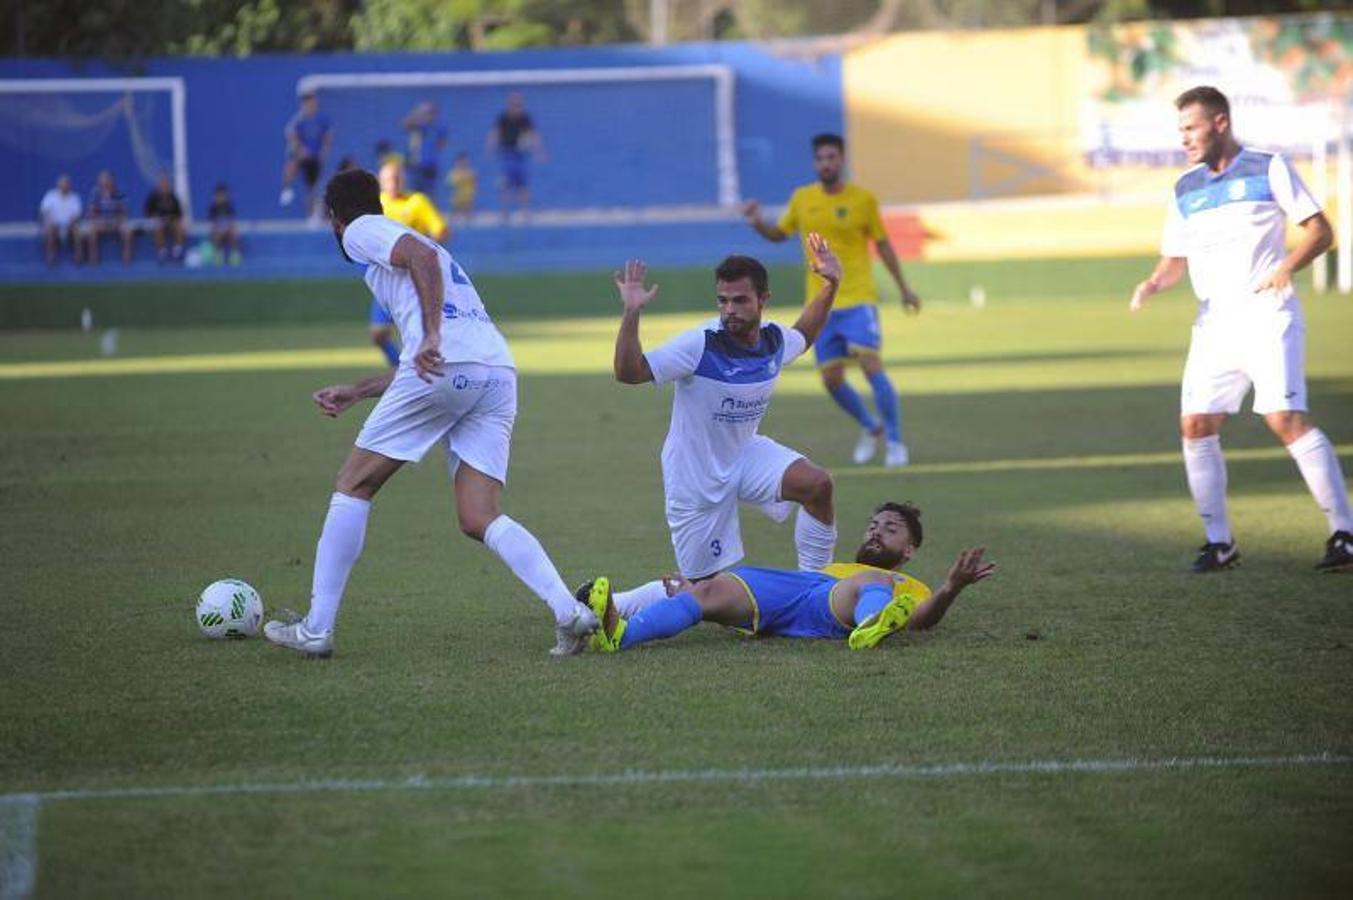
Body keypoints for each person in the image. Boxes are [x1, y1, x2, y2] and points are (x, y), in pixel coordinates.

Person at [262, 168, 597, 659]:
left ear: (335, 218)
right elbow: (429, 360)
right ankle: (569, 612)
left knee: (354, 484)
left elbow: (427, 313)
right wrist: (359, 390)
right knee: (478, 516)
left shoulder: (363, 231)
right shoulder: (418, 246)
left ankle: (317, 628)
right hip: (496, 372)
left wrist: (433, 335)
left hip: (451, 364)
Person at [1129, 86, 1351, 574]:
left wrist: (1287, 266)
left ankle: (1345, 534)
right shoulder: (1185, 187)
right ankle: (1220, 543)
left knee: (1283, 417)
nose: (1185, 139)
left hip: (1268, 314)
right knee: (1195, 424)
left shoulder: (1267, 167)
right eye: (1181, 130)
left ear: (1220, 123)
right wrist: (1152, 283)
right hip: (1213, 325)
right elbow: (1175, 261)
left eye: (1192, 128)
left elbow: (1320, 231)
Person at [606, 238, 842, 617]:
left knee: (817, 485)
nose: (729, 310)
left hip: (745, 454)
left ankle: (815, 590)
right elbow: (628, 373)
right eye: (723, 300)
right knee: (704, 593)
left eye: (740, 300)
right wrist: (632, 313)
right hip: (695, 474)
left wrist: (831, 286)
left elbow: (805, 335)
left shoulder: (774, 341)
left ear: (763, 299)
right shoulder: (700, 344)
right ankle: (606, 606)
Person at [582, 502, 995, 653]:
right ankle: (620, 633)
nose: (876, 531)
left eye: (890, 529)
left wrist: (950, 588)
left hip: (833, 605)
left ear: (908, 551)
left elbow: (921, 620)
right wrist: (692, 589)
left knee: (876, 583)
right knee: (710, 588)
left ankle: (871, 623)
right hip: (798, 591)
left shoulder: (906, 586)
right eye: (873, 525)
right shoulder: (837, 570)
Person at [743, 133, 922, 468]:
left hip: (858, 298)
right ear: (816, 162)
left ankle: (896, 442)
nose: (826, 163)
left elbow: (883, 245)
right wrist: (757, 222)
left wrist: (904, 288)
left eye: (832, 157)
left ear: (842, 160)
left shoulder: (863, 200)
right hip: (821, 303)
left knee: (870, 364)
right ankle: (871, 427)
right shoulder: (802, 198)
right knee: (831, 379)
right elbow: (779, 234)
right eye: (821, 158)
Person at [370, 160, 450, 367]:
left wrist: (425, 250)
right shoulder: (375, 205)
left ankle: (426, 370)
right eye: (388, 179)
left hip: (413, 280)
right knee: (378, 334)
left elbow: (441, 229)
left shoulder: (416, 202)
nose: (393, 183)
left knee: (418, 332)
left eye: (397, 178)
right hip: (387, 279)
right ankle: (400, 369)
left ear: (403, 179)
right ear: (381, 182)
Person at [485, 92, 543, 220]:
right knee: (505, 183)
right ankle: (504, 212)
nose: (516, 107)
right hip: (507, 153)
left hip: (520, 154)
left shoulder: (525, 118)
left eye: (519, 105)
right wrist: (490, 148)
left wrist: (538, 151)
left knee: (523, 184)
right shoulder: (503, 118)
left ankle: (525, 211)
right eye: (514, 104)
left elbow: (533, 134)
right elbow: (495, 133)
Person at [279, 91, 333, 222]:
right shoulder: (299, 120)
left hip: (316, 157)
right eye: (308, 103)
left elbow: (328, 137)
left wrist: (323, 153)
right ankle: (286, 188)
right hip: (302, 155)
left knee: (314, 187)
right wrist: (300, 149)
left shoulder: (322, 119)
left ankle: (314, 213)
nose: (311, 105)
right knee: (291, 163)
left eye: (313, 102)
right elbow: (291, 135)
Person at [83, 170, 132, 265]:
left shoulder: (119, 192)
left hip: (116, 222)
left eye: (107, 179)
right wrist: (99, 221)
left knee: (127, 230)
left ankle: (126, 257)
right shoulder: (95, 192)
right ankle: (94, 258)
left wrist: (118, 221)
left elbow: (125, 211)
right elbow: (91, 212)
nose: (104, 182)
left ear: (112, 180)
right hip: (100, 223)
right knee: (92, 230)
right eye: (102, 179)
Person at [402, 101, 448, 196]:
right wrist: (417, 112)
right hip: (416, 164)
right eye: (427, 112)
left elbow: (442, 143)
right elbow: (406, 124)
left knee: (429, 193)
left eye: (431, 112)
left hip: (431, 165)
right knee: (415, 192)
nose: (429, 115)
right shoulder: (420, 125)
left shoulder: (438, 126)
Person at [39, 174, 82, 266]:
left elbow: (77, 215)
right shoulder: (50, 196)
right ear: (58, 185)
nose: (64, 185)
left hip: (70, 225)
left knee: (76, 230)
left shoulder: (75, 197)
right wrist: (48, 221)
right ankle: (51, 257)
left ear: (69, 185)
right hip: (54, 225)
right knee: (50, 229)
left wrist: (72, 222)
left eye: (66, 183)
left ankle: (77, 257)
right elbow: (44, 212)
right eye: (62, 183)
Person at [143, 172, 186, 263]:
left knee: (179, 225)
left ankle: (177, 250)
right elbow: (148, 213)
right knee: (158, 225)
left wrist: (170, 218)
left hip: (171, 222)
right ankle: (161, 252)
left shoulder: (173, 197)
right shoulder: (153, 197)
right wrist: (158, 218)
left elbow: (179, 214)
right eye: (162, 183)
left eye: (166, 183)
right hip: (158, 223)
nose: (164, 185)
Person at [207, 183, 242, 266]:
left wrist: (228, 229)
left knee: (234, 233)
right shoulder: (213, 208)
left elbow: (232, 222)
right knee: (216, 234)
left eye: (223, 195)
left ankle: (235, 255)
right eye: (220, 195)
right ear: (216, 196)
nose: (222, 197)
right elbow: (213, 224)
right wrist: (219, 230)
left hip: (227, 230)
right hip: (218, 231)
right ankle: (218, 255)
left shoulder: (229, 207)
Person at [447, 152, 477, 223]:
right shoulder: (454, 172)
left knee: (469, 217)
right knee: (454, 217)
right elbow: (450, 184)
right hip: (457, 198)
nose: (464, 162)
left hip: (468, 198)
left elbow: (474, 184)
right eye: (462, 161)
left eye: (465, 160)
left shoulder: (471, 172)